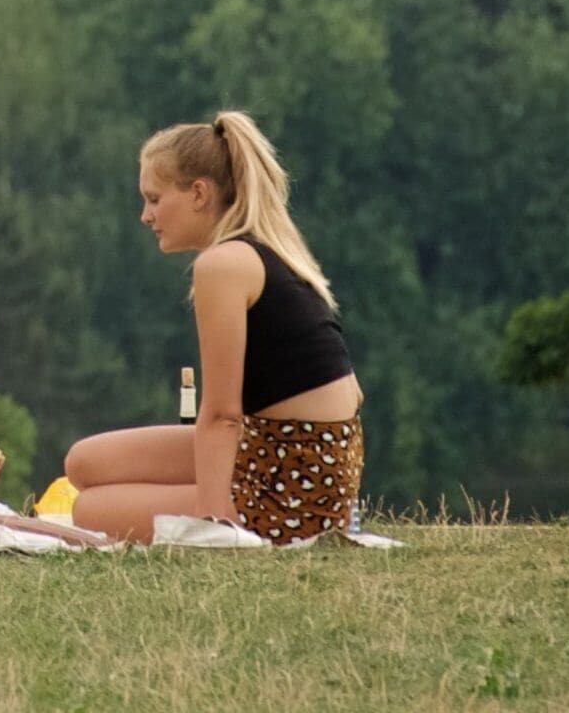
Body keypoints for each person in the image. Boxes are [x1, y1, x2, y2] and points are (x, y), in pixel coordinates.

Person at [62, 111, 363, 545]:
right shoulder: (263, 251)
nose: (146, 216)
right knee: (83, 463)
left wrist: (213, 514)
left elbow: (222, 414)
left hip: (293, 488)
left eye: (154, 199)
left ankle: (229, 506)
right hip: (289, 455)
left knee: (88, 509)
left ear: (199, 193)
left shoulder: (222, 265)